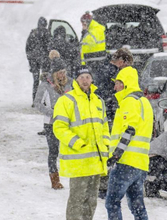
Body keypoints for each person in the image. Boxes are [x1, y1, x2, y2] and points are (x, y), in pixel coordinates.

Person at [53, 68, 110, 220]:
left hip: (96, 162)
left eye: (88, 77)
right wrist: (78, 143)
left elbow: (104, 126)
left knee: (91, 202)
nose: (85, 80)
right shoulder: (66, 100)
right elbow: (59, 127)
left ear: (92, 80)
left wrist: (105, 145)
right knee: (77, 201)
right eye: (82, 77)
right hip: (78, 162)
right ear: (76, 80)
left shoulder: (98, 101)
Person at [105, 49, 153, 220]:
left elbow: (130, 130)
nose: (114, 86)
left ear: (124, 84)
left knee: (112, 202)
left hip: (125, 162)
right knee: (137, 205)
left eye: (117, 83)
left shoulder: (129, 102)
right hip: (140, 163)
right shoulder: (145, 102)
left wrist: (116, 155)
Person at [34, 57, 72, 189]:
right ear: (54, 73)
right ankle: (54, 179)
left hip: (69, 122)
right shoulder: (45, 85)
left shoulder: (71, 83)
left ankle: (75, 177)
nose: (62, 75)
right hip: (51, 123)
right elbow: (37, 103)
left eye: (64, 72)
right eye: (59, 72)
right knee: (53, 151)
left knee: (71, 149)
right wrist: (52, 113)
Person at [26, 17, 51, 105]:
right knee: (43, 81)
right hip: (44, 60)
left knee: (36, 81)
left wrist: (30, 60)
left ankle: (35, 101)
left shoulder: (33, 32)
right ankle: (42, 100)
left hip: (34, 60)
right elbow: (49, 47)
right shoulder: (47, 33)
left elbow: (27, 48)